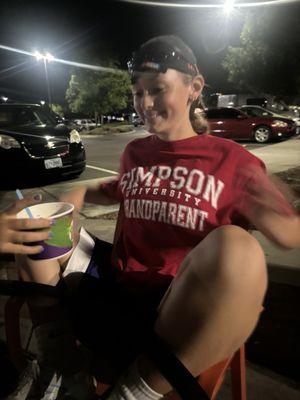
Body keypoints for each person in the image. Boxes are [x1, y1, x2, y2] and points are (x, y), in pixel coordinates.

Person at [1, 35, 299, 400]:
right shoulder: (136, 152)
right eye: (137, 92)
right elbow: (109, 188)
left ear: (194, 88)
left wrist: (277, 210)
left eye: (157, 90)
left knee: (240, 247)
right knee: (35, 223)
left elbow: (289, 236)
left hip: (173, 304)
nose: (144, 103)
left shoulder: (234, 162)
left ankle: (134, 393)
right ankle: (61, 366)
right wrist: (72, 196)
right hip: (113, 287)